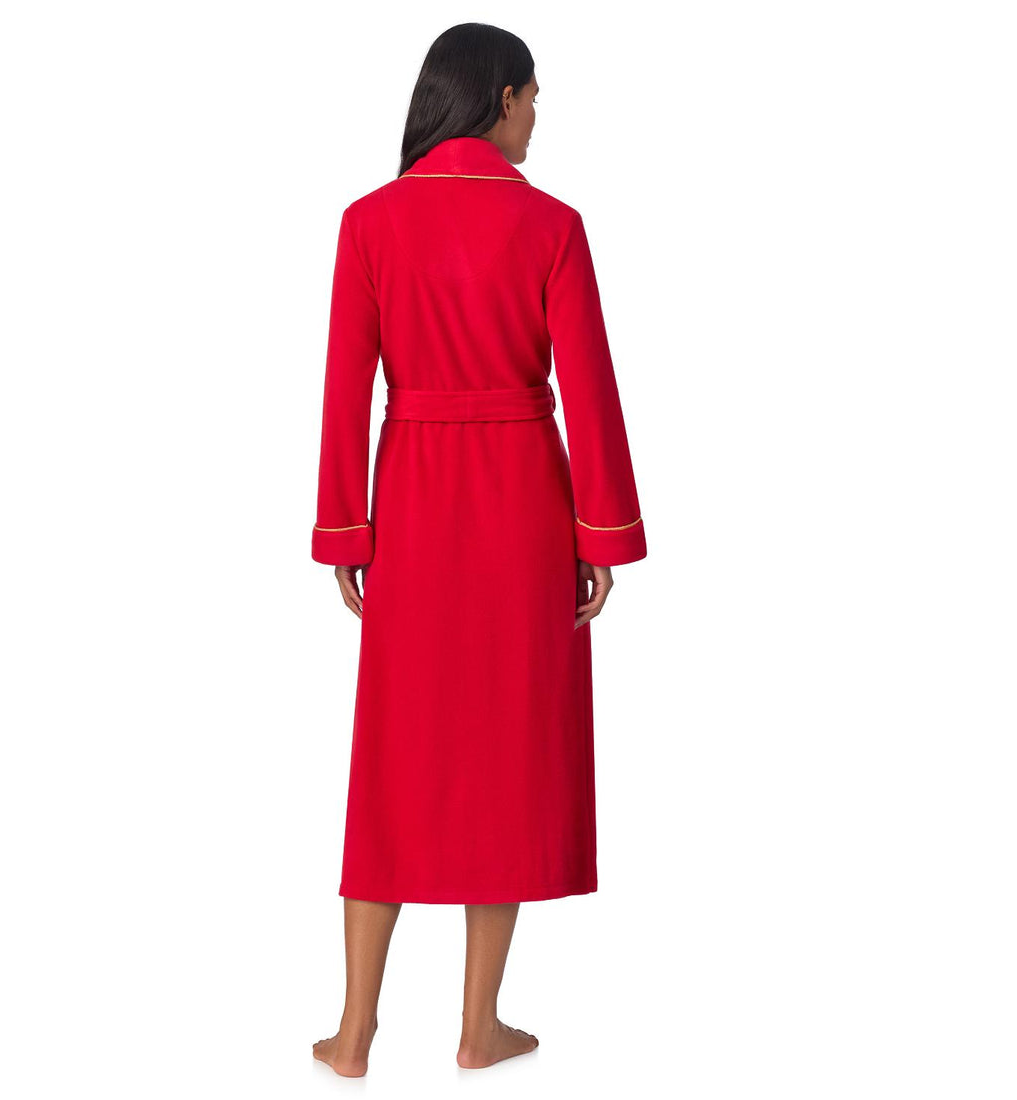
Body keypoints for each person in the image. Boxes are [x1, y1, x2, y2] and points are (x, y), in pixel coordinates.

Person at [310, 23, 647, 1077]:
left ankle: (354, 1031)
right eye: (533, 97)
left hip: (410, 504)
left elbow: (343, 389)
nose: (537, 115)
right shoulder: (551, 226)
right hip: (521, 510)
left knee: (393, 762)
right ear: (500, 98)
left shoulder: (369, 222)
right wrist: (599, 532)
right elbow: (588, 390)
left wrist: (346, 530)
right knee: (504, 756)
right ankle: (477, 1026)